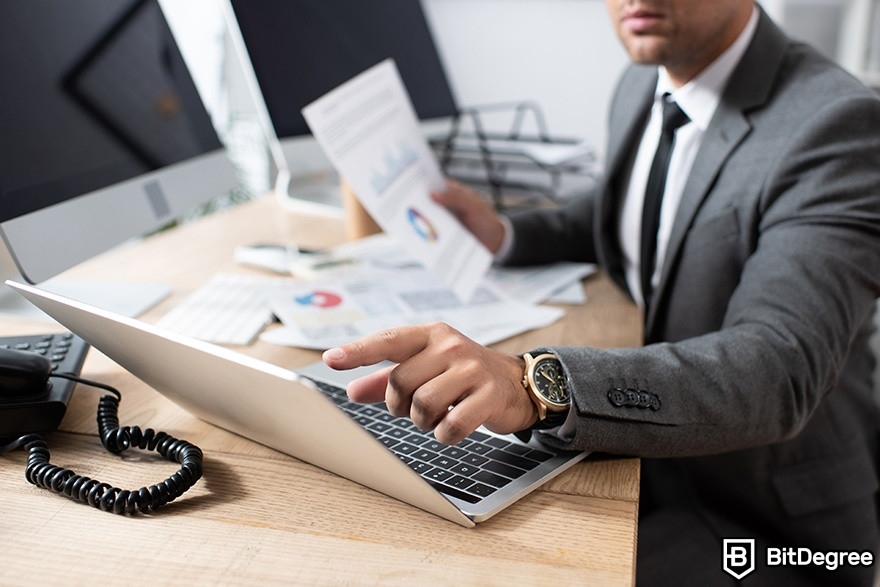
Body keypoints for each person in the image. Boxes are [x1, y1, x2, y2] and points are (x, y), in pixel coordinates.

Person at [323, 1, 880, 584]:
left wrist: (535, 382)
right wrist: (507, 235)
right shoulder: (643, 76)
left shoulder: (837, 124)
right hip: (639, 457)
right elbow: (627, 208)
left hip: (755, 517)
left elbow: (776, 368)